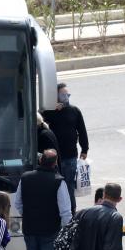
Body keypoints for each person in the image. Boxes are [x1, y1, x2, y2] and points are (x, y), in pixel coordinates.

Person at [13, 149, 72, 250]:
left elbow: (18, 203)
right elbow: (65, 212)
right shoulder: (59, 181)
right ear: (55, 163)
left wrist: (27, 216)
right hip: (50, 231)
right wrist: (68, 231)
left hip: (29, 229)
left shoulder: (25, 178)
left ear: (40, 161)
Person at [42, 82, 89, 213]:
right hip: (54, 158)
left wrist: (85, 149)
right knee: (55, 185)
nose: (66, 97)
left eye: (67, 94)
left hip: (70, 156)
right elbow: (40, 122)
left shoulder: (74, 111)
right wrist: (51, 110)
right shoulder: (49, 112)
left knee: (68, 185)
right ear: (55, 96)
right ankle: (56, 210)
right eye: (63, 94)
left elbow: (82, 131)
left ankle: (71, 211)